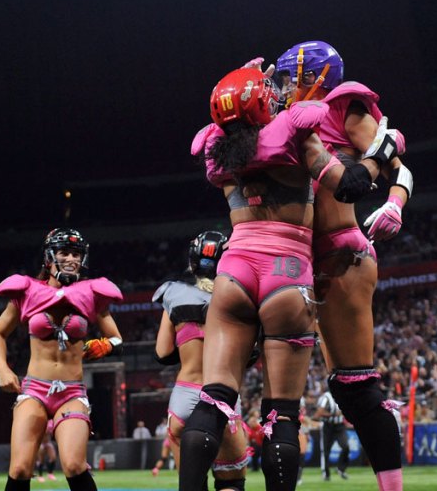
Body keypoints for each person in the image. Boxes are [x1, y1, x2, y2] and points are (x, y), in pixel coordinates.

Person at [180, 66, 390, 491]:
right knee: (282, 415)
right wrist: (382, 151)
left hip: (235, 269)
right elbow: (349, 185)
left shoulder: (217, 144)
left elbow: (238, 118)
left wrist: (243, 86)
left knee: (214, 398)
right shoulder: (295, 130)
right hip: (287, 270)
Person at [275, 41, 407, 490]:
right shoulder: (286, 120)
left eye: (290, 77)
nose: (284, 87)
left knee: (355, 386)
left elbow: (396, 166)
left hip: (340, 251)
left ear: (314, 76)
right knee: (337, 389)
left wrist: (395, 203)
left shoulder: (343, 103)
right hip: (297, 259)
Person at [0, 228, 124, 491]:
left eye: (76, 254)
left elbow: (118, 339)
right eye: (64, 252)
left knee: (74, 465)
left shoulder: (92, 294)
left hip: (72, 392)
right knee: (20, 469)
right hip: (34, 389)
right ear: (49, 257)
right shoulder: (27, 291)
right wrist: (3, 369)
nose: (71, 259)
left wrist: (106, 345)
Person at [152, 231, 250, 489]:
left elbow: (163, 353)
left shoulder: (174, 294)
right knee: (232, 483)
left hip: (184, 396)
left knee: (192, 484)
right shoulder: (241, 298)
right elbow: (250, 355)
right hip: (222, 396)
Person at [314, 390, 350, 481]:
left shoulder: (342, 395)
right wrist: (333, 414)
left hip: (340, 426)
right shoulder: (326, 397)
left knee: (345, 446)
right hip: (328, 426)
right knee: (326, 451)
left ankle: (341, 469)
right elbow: (319, 413)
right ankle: (326, 473)